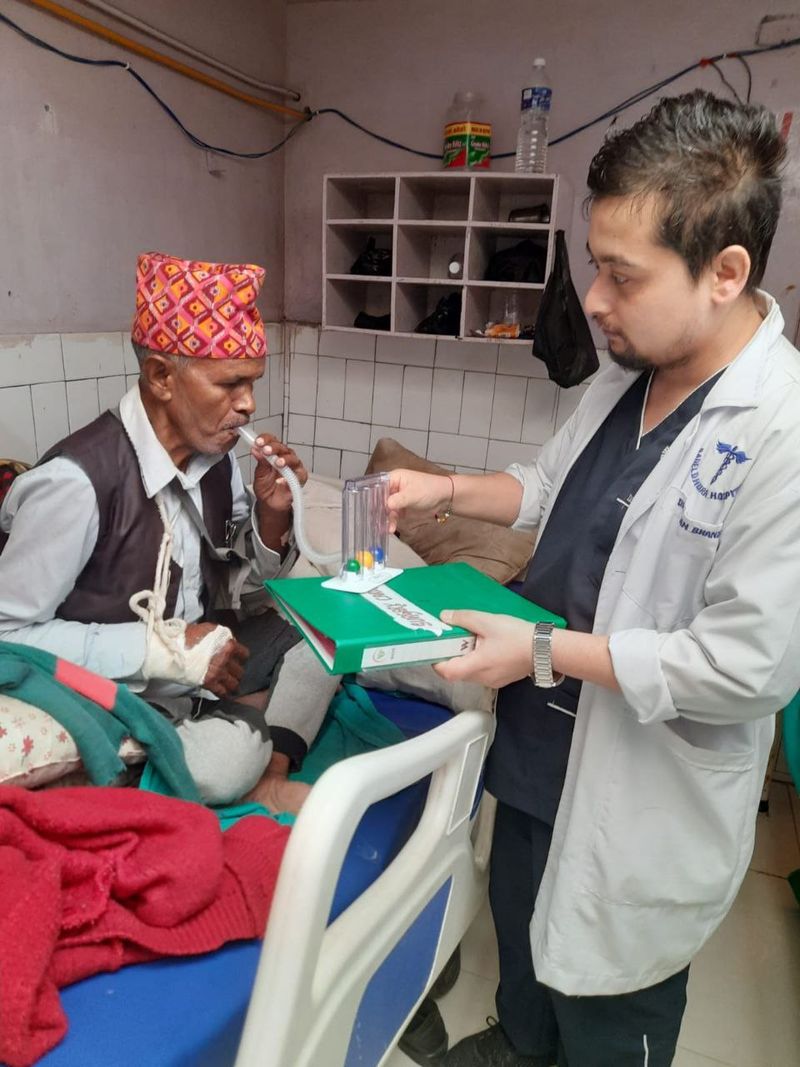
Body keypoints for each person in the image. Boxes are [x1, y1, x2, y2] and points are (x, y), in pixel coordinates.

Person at [387, 91, 800, 1066]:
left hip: (640, 784)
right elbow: (544, 485)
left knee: (608, 1001)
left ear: (722, 272)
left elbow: (746, 665)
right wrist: (438, 484)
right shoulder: (627, 369)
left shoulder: (777, 429)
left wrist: (536, 647)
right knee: (525, 937)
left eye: (620, 274)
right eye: (593, 266)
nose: (595, 301)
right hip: (538, 745)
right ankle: (517, 1043)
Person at [0, 251, 339, 812]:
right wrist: (158, 651)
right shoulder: (75, 483)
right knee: (220, 764)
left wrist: (273, 517)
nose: (248, 405)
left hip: (201, 661)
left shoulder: (218, 461)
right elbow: (8, 633)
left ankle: (270, 769)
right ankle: (229, 748)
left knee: (323, 633)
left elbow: (242, 585)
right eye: (230, 384)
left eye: (252, 383)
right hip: (119, 691)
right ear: (161, 377)